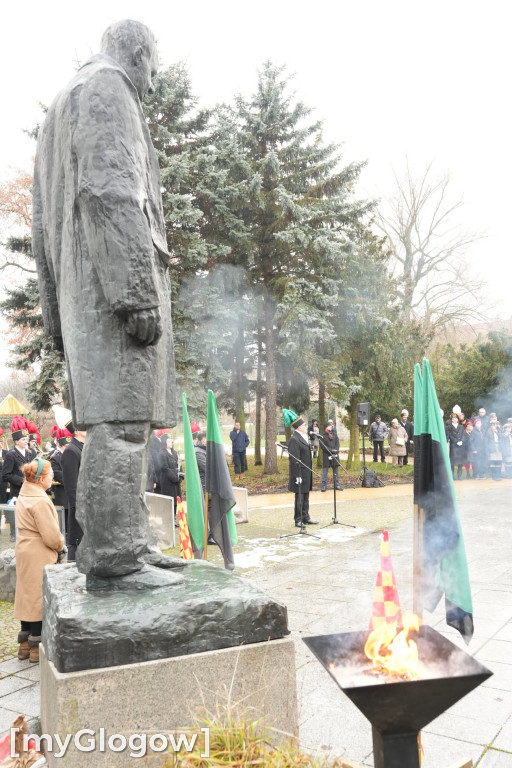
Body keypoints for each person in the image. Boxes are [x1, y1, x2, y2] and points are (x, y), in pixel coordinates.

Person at [32, 20, 181, 584]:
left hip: (84, 292)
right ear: (139, 55)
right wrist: (136, 292)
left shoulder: (61, 104)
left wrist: (54, 313)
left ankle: (126, 543)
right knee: (121, 425)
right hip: (111, 292)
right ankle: (117, 556)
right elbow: (111, 189)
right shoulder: (107, 88)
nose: (152, 82)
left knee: (123, 428)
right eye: (153, 69)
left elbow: (42, 220)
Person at [14, 457, 66, 664]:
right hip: (38, 552)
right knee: (38, 598)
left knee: (26, 594)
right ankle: (37, 648)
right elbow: (52, 537)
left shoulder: (25, 493)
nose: (52, 478)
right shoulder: (40, 500)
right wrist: (62, 545)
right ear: (40, 479)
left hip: (23, 549)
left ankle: (24, 645)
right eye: (50, 475)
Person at [284, 410, 318, 527]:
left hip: (306, 472)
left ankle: (305, 517)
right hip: (299, 473)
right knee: (299, 496)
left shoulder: (303, 437)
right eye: (304, 425)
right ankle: (298, 519)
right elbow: (294, 460)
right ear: (298, 427)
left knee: (306, 495)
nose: (306, 427)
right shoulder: (294, 439)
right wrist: (297, 475)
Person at [1, 420, 31, 541]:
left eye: (27, 439)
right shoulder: (10, 455)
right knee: (17, 513)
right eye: (23, 440)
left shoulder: (31, 453)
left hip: (30, 489)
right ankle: (13, 533)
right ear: (16, 441)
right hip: (17, 489)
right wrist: (22, 480)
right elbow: (6, 475)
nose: (26, 441)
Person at [61, 418, 86, 562]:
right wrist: (80, 510)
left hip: (87, 505)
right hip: (79, 509)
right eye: (84, 428)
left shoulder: (82, 447)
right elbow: (72, 487)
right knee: (77, 545)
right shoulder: (71, 451)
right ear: (76, 431)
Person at [50, 428, 72, 535]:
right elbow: (58, 474)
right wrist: (72, 478)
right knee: (63, 520)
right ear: (60, 445)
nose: (68, 449)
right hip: (62, 494)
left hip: (72, 493)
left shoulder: (73, 455)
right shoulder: (55, 458)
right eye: (66, 447)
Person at [157, 434, 182, 505]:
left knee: (177, 502)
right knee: (169, 503)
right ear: (164, 442)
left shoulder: (174, 453)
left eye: (171, 441)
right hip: (168, 482)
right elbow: (165, 468)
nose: (171, 443)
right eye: (169, 441)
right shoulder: (162, 454)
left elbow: (179, 464)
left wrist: (180, 475)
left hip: (176, 482)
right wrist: (174, 477)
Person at [319, 422, 341, 491]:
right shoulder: (322, 435)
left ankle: (336, 484)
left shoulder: (334, 434)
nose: (331, 427)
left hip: (335, 455)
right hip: (326, 455)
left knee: (335, 471)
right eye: (329, 426)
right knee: (325, 471)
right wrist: (331, 450)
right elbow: (323, 446)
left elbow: (337, 443)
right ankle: (324, 485)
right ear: (326, 427)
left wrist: (336, 450)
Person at [446, 413, 467, 480]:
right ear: (451, 420)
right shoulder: (449, 427)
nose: (454, 419)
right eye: (453, 418)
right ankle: (452, 476)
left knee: (460, 461)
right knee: (453, 461)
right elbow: (449, 435)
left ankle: (459, 475)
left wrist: (462, 441)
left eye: (455, 418)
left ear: (457, 419)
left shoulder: (461, 426)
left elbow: (464, 434)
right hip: (453, 445)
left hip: (461, 445)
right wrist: (456, 441)